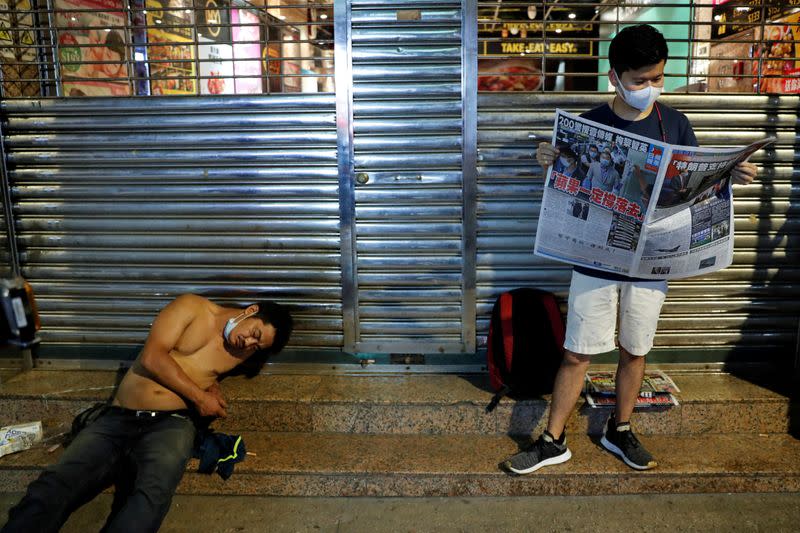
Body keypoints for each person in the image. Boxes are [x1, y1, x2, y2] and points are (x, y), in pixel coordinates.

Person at [502, 24, 757, 474]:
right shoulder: (590, 126)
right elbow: (571, 188)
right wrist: (549, 159)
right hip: (596, 260)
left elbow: (690, 187)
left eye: (657, 78)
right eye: (640, 80)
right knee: (578, 351)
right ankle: (553, 440)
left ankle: (620, 429)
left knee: (634, 349)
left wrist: (725, 178)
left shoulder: (675, 123)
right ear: (615, 76)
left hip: (651, 263)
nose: (650, 88)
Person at [1, 294, 293, 533]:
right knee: (57, 483)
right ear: (250, 310)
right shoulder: (191, 308)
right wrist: (200, 396)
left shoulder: (244, 351)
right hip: (119, 417)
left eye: (258, 345)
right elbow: (154, 357)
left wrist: (212, 386)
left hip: (174, 424)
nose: (249, 344)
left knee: (152, 494)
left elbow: (200, 366)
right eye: (255, 334)